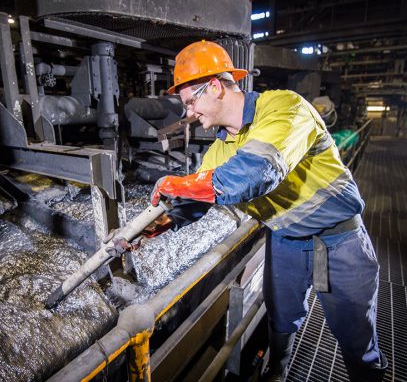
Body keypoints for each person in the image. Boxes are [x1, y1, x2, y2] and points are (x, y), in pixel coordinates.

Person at [149, 41, 387, 382]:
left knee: (354, 335)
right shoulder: (219, 150)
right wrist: (156, 226)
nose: (188, 113)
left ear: (215, 86)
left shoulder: (284, 107)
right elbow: (195, 203)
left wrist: (179, 183)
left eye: (190, 102)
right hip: (287, 240)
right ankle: (277, 371)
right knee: (282, 316)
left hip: (338, 239)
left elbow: (256, 171)